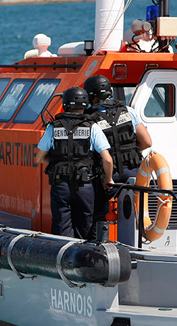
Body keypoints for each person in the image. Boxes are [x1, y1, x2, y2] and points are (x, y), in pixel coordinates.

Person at [36, 87, 114, 239]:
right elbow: (107, 159)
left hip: (61, 186)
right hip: (85, 185)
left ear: (65, 104)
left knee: (61, 226)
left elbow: (39, 157)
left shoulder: (53, 127)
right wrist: (108, 179)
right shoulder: (93, 127)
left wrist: (57, 164)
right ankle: (82, 256)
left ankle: (64, 257)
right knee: (85, 225)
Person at [83, 75, 153, 228]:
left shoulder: (87, 119)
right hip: (133, 173)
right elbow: (147, 142)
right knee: (136, 213)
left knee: (98, 216)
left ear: (91, 96)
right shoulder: (128, 111)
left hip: (107, 176)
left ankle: (98, 246)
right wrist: (130, 152)